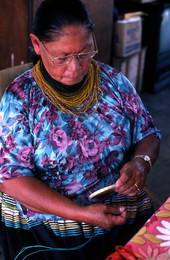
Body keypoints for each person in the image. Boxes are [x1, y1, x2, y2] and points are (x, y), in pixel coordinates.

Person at [0, 0, 161, 259]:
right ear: (37, 44)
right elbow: (12, 180)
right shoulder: (20, 99)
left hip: (121, 212)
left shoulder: (114, 82)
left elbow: (148, 134)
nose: (75, 68)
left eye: (84, 53)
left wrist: (141, 163)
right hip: (51, 228)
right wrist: (82, 213)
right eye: (62, 57)